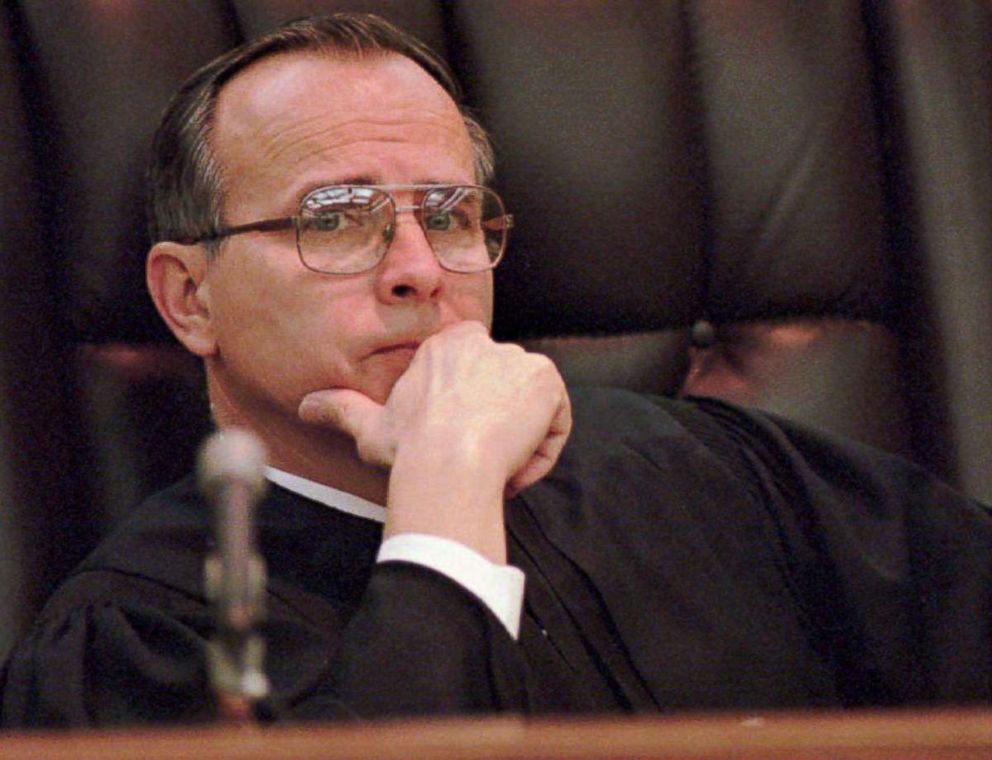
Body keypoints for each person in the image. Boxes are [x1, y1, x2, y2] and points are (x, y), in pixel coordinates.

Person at [2, 13, 991, 728]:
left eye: (448, 215)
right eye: (335, 218)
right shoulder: (136, 641)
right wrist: (445, 497)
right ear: (188, 297)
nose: (419, 270)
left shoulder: (690, 460)